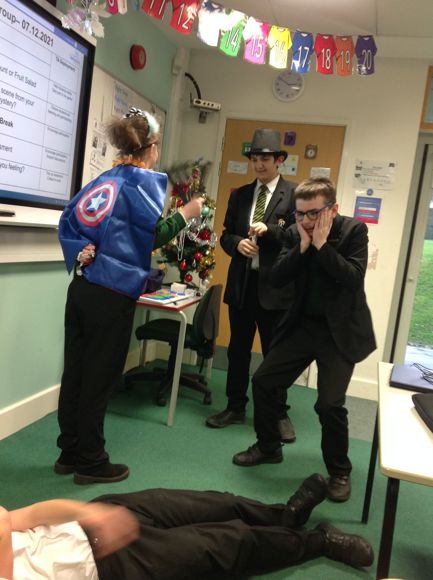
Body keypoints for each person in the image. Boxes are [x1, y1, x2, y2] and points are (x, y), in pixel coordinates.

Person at [56, 108, 204, 485]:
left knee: (76, 371)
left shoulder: (102, 180)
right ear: (151, 148)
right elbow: (148, 237)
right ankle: (91, 461)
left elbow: (69, 220)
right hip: (111, 294)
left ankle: (69, 451)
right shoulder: (142, 184)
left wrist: (80, 250)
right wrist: (186, 214)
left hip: (81, 289)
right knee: (99, 377)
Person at [233, 178, 376, 503]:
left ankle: (339, 471)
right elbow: (277, 277)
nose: (306, 221)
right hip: (303, 326)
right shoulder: (296, 233)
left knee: (329, 404)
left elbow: (353, 278)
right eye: (300, 214)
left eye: (314, 214)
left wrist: (322, 246)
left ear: (333, 209)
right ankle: (269, 446)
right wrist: (302, 247)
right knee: (264, 381)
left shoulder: (354, 231)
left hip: (338, 331)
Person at [0, 474, 374, 579]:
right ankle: (319, 541)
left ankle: (285, 516)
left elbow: (24, 517)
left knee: (213, 504)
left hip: (94, 518)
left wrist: (86, 512)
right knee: (227, 543)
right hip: (109, 566)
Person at [206, 128, 297, 443]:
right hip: (242, 286)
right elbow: (225, 234)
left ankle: (278, 413)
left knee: (275, 355)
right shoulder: (240, 195)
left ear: (279, 160)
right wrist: (237, 244)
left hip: (276, 290)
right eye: (255, 159)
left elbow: (297, 236)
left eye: (265, 159)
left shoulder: (294, 194)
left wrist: (270, 230)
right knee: (238, 351)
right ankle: (235, 407)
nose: (259, 165)